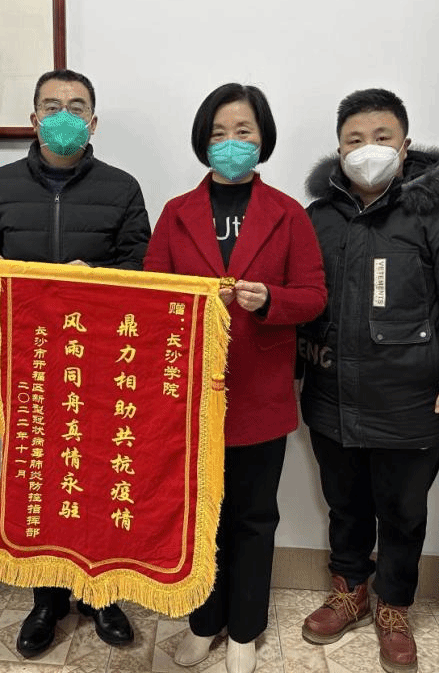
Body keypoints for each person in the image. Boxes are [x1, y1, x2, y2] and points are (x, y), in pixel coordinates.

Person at [299, 88, 439, 673]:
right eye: (354, 140)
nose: (368, 150)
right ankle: (349, 589)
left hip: (413, 399)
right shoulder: (318, 218)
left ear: (405, 145)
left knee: (403, 511)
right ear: (339, 149)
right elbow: (300, 304)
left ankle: (394, 606)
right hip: (332, 395)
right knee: (345, 503)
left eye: (381, 137)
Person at [143, 83, 327, 673]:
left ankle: (245, 629)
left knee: (253, 517)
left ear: (262, 138)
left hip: (260, 393)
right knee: (200, 517)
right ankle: (204, 623)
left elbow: (314, 296)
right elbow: (153, 295)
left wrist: (270, 299)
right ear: (203, 140)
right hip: (191, 395)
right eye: (219, 133)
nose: (231, 142)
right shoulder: (176, 212)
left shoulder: (288, 213)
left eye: (243, 131)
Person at [0, 68, 150, 658]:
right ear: (34, 119)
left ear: (93, 122)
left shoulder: (122, 187)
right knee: (38, 478)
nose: (63, 115)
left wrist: (95, 278)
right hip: (30, 361)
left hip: (100, 361)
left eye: (76, 106)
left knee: (98, 473)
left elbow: (143, 266)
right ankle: (46, 600)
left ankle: (101, 594)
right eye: (51, 106)